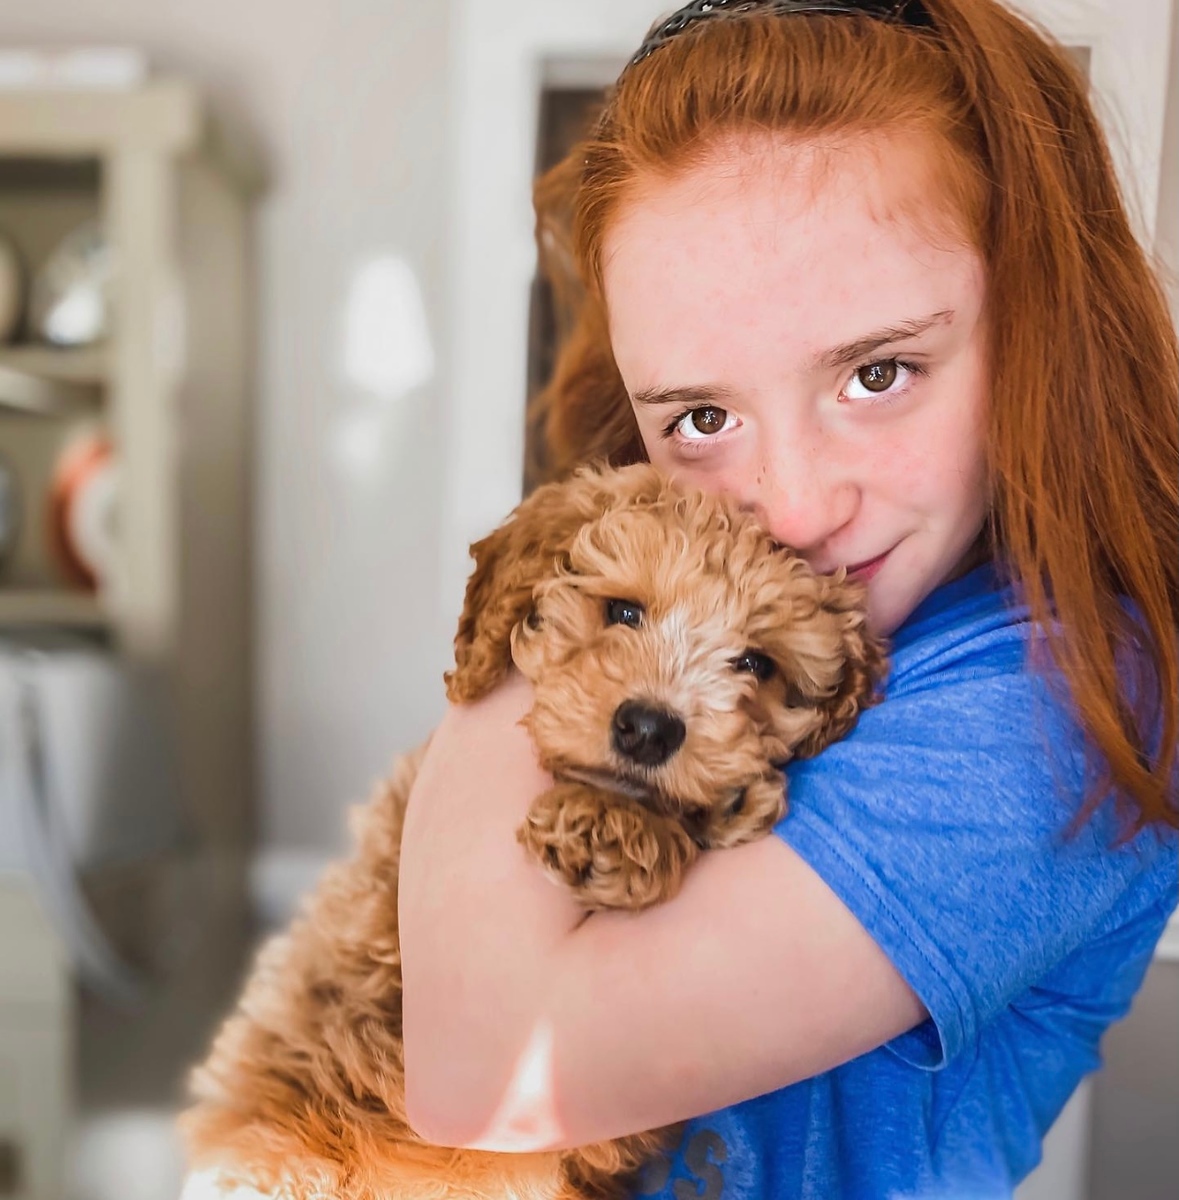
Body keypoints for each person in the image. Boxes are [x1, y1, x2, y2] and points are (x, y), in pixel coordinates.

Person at [397, 0, 1179, 1195]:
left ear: (1036, 328)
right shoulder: (684, 576)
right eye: (702, 418)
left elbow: (482, 1068)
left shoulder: (1076, 701)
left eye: (879, 373)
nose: (798, 508)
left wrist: (556, 597)